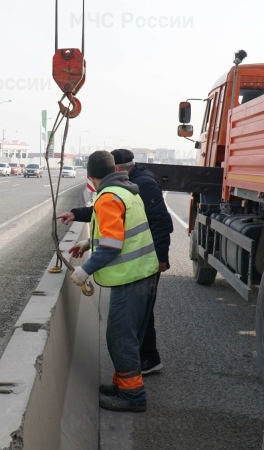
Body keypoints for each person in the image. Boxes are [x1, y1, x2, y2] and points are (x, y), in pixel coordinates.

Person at [59, 149, 173, 375]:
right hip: (141, 271)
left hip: (132, 276)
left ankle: (131, 395)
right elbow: (124, 229)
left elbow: (112, 244)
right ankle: (125, 385)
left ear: (90, 176)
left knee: (121, 338)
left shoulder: (110, 196)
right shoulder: (128, 190)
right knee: (131, 334)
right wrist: (89, 243)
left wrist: (85, 271)